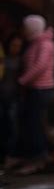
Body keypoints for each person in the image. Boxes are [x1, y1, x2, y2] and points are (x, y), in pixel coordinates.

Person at [16, 15, 54, 174]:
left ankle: (38, 159)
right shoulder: (36, 43)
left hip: (41, 90)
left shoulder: (45, 44)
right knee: (32, 124)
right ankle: (36, 156)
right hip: (35, 89)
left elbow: (40, 66)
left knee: (35, 124)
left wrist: (22, 80)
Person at [0, 34, 24, 166]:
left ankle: (9, 155)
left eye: (19, 46)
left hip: (13, 97)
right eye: (14, 45)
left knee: (12, 126)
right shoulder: (3, 59)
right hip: (2, 95)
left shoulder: (21, 61)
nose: (16, 48)